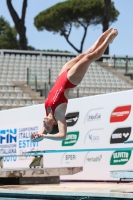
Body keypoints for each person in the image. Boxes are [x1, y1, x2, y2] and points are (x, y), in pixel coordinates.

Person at [31, 28, 118, 142]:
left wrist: (40, 135)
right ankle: (107, 40)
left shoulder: (48, 114)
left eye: (45, 128)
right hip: (70, 80)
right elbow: (63, 136)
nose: (44, 126)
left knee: (83, 55)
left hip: (61, 75)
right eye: (47, 127)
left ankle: (104, 36)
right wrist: (46, 136)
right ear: (54, 123)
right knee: (89, 57)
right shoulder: (59, 115)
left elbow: (40, 134)